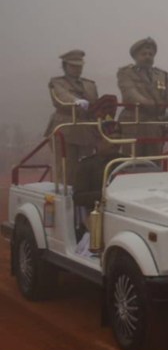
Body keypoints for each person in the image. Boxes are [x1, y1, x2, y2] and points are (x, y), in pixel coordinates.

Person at [45, 49, 99, 185]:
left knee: (86, 168)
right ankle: (65, 198)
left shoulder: (90, 84)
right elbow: (61, 96)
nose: (77, 69)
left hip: (86, 130)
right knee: (66, 169)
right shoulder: (57, 82)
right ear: (65, 66)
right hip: (66, 128)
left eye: (79, 66)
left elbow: (95, 103)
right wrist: (75, 101)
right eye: (73, 66)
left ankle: (83, 198)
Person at [116, 37, 168, 158]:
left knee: (154, 161)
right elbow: (130, 94)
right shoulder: (126, 73)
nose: (148, 57)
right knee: (131, 160)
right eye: (143, 54)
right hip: (134, 123)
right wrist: (151, 103)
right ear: (135, 56)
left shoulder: (161, 75)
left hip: (155, 125)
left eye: (150, 54)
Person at [73, 120, 125, 242]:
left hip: (125, 211)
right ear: (97, 141)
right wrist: (105, 195)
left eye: (118, 139)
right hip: (98, 214)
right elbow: (78, 197)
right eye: (110, 139)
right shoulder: (87, 165)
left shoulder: (127, 160)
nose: (116, 143)